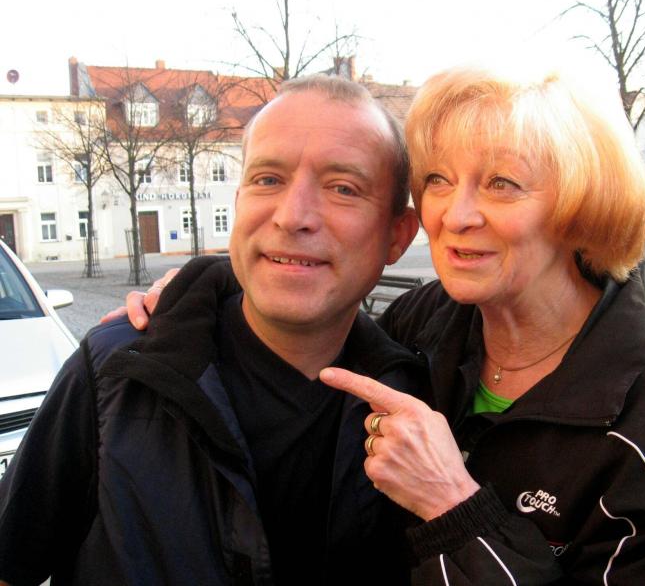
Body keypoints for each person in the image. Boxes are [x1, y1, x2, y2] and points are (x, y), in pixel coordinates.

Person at [113, 66, 645, 585]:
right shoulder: (422, 325)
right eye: (438, 180)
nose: (455, 215)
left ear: (583, 203)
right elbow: (312, 304)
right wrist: (203, 294)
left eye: (501, 184)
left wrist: (454, 507)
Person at [0, 75, 421, 585]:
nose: (293, 216)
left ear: (398, 235)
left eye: (343, 188)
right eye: (268, 179)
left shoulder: (415, 398)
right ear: (239, 201)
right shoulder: (116, 373)